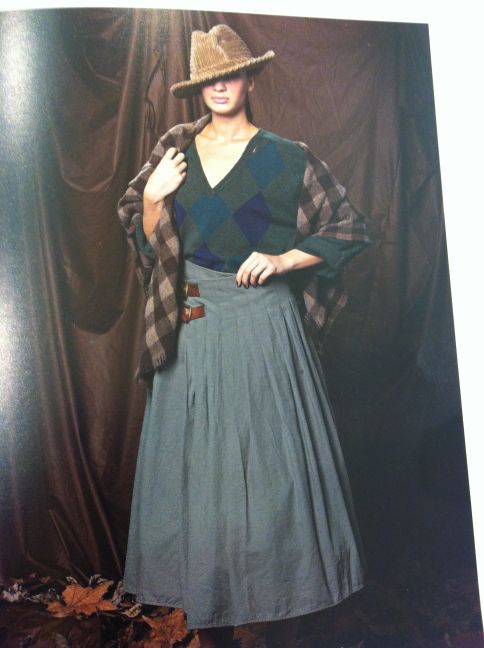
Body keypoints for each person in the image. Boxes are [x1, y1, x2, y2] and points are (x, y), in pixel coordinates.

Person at [118, 24, 371, 648]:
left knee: (275, 477)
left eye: (230, 75)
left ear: (250, 78)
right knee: (202, 486)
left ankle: (283, 615)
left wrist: (284, 260)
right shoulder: (175, 149)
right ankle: (214, 630)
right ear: (198, 88)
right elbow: (149, 246)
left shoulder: (289, 156)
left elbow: (349, 227)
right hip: (194, 330)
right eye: (209, 79)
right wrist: (153, 200)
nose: (220, 87)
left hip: (265, 328)